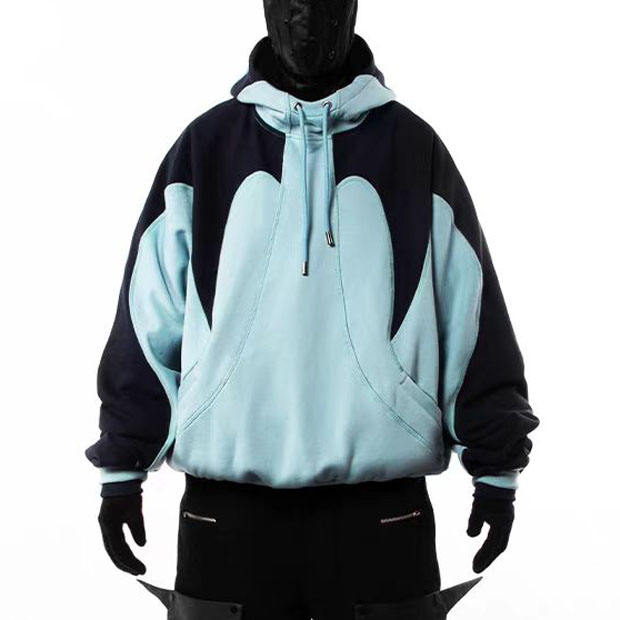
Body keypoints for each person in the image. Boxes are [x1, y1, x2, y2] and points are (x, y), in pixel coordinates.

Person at [87, 1, 539, 618]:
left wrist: (497, 467)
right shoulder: (206, 146)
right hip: (228, 516)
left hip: (381, 515)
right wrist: (122, 465)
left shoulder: (412, 148)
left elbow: (470, 311)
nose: (306, 18)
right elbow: (149, 315)